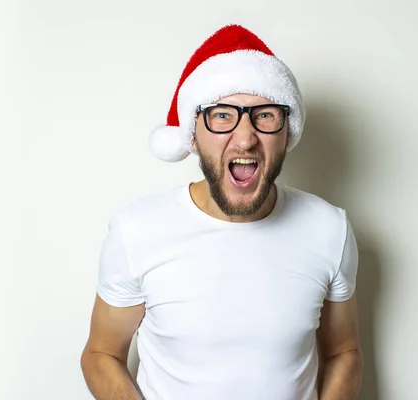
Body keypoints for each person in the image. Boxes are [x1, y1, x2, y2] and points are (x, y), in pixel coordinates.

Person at [81, 24, 363, 400]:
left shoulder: (330, 230)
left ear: (286, 130)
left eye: (264, 115)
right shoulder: (138, 230)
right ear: (192, 135)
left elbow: (344, 351)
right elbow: (101, 353)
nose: (245, 137)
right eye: (221, 115)